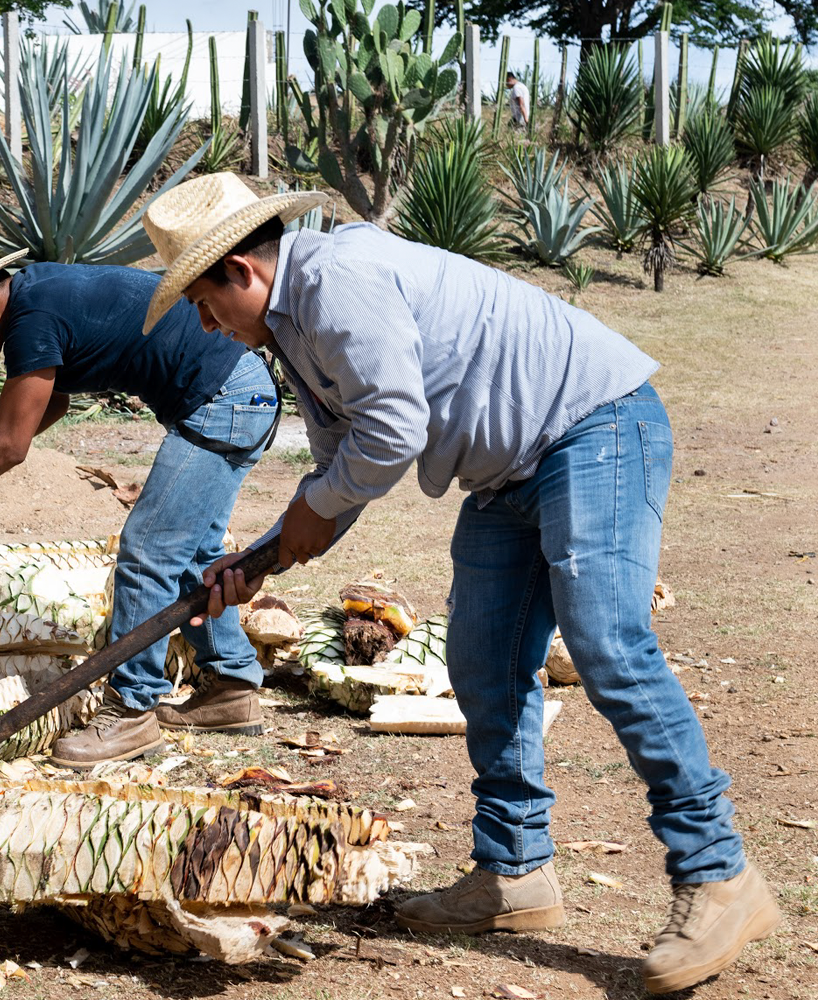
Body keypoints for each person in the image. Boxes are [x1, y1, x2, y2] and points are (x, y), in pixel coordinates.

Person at [141, 172, 777, 996]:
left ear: (241, 272)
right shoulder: (296, 328)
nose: (203, 321)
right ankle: (514, 873)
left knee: (608, 642)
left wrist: (314, 509)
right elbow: (340, 471)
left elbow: (393, 430)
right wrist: (257, 558)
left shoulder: (334, 281)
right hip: (509, 473)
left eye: (200, 299)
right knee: (481, 660)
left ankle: (719, 874)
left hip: (592, 426)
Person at [0, 229, 317, 766]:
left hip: (224, 394)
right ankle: (231, 685)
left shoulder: (31, 320)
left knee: (149, 551)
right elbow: (51, 407)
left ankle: (131, 712)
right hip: (231, 390)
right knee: (191, 550)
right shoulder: (37, 297)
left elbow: (10, 449)